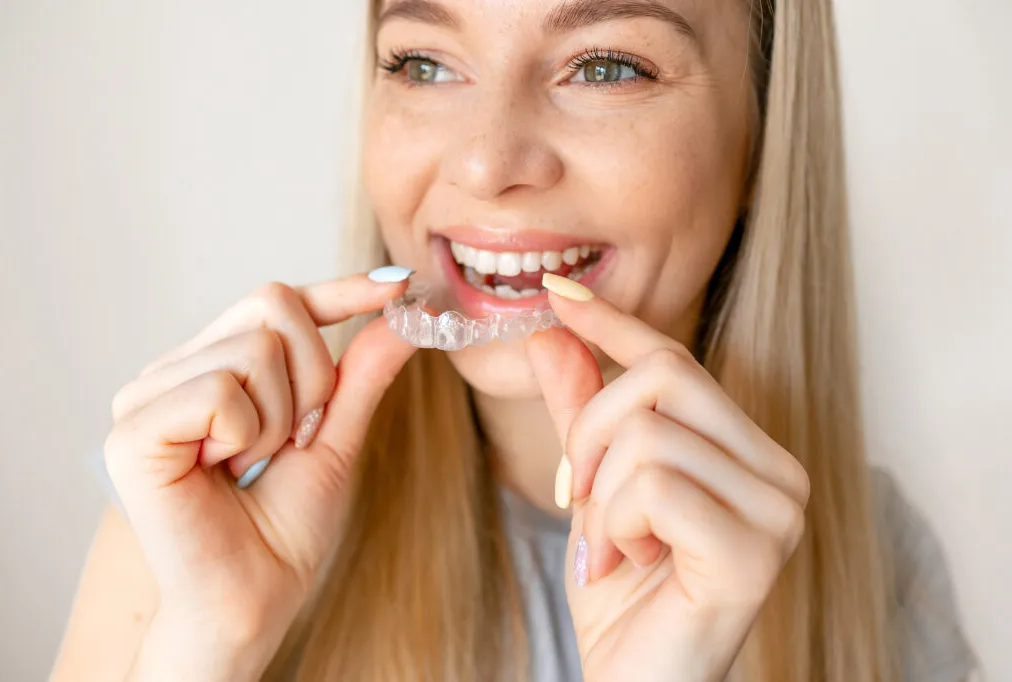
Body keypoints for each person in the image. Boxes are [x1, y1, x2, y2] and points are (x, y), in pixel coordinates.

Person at [51, 0, 978, 680]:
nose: (488, 163)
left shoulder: (880, 573)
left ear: (760, 139)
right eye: (422, 61)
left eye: (606, 65)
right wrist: (203, 648)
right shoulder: (197, 513)